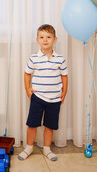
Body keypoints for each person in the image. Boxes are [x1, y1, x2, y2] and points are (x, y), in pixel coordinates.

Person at [18, 24, 68, 161]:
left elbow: (64, 76)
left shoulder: (60, 59)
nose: (45, 40)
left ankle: (47, 149)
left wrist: (64, 92)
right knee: (32, 124)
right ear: (37, 40)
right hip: (38, 98)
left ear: (55, 39)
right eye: (42, 37)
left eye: (48, 37)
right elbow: (27, 73)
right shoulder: (34, 58)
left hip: (55, 99)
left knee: (49, 126)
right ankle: (29, 147)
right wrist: (28, 89)